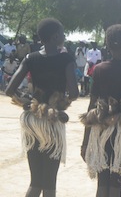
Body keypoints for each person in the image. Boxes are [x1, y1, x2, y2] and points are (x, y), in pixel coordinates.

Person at [5, 18, 79, 197]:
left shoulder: (31, 58)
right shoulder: (66, 59)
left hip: (33, 121)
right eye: (62, 33)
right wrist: (62, 102)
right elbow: (74, 93)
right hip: (52, 123)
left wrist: (28, 102)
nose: (64, 35)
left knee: (36, 181)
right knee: (49, 184)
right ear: (55, 37)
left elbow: (9, 90)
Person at [80, 24, 121, 197]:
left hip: (101, 130)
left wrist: (85, 141)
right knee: (116, 181)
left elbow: (91, 107)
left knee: (103, 182)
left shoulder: (99, 69)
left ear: (107, 46)